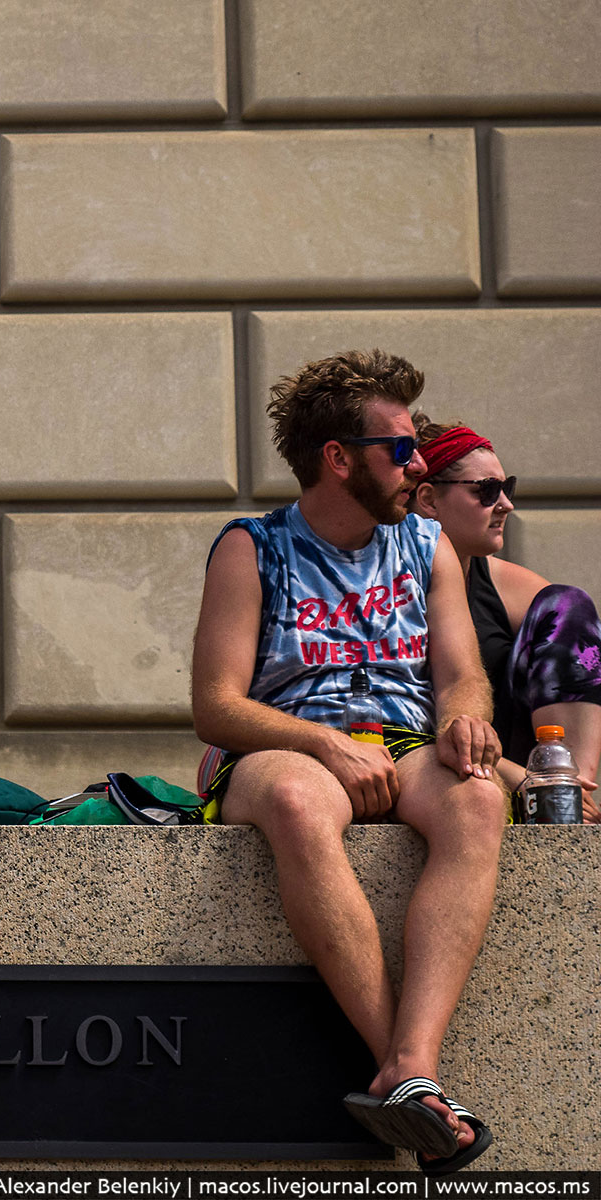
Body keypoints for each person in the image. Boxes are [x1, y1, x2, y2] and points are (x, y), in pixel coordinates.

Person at [189, 350, 504, 1174]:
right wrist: (326, 744)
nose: (418, 466)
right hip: (283, 742)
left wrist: (467, 719)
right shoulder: (251, 547)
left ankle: (411, 1069)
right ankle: (404, 1073)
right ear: (339, 458)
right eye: (400, 449)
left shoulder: (429, 546)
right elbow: (216, 706)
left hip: (401, 742)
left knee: (477, 800)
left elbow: (463, 675)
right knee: (297, 802)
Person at [408, 418, 601, 821]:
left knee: (568, 604)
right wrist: (516, 775)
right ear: (428, 499)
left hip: (520, 766)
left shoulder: (511, 586)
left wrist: (553, 778)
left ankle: (568, 799)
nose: (506, 504)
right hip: (430, 760)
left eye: (506, 487)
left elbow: (576, 666)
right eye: (487, 491)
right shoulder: (386, 583)